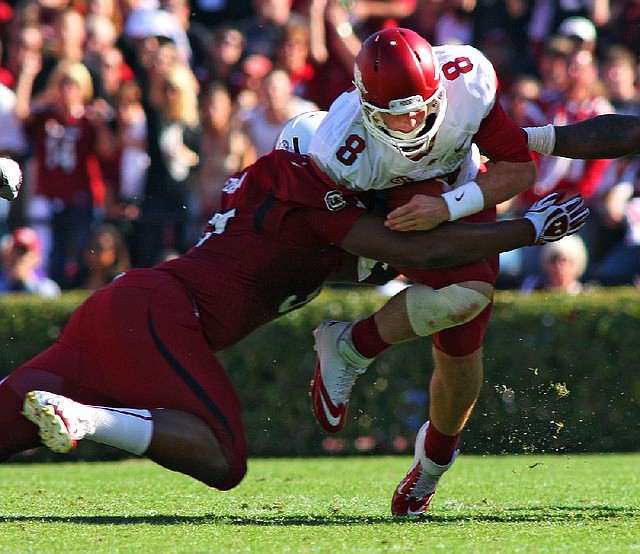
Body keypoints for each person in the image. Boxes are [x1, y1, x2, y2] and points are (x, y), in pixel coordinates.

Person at [0, 112, 588, 493]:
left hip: (128, 314)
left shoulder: (298, 218)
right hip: (160, 316)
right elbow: (423, 253)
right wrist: (527, 230)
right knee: (222, 457)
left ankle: (79, 412)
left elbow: (399, 260)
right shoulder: (305, 190)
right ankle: (86, 419)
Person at [306, 27, 538, 517]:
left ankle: (430, 464)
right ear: (366, 106)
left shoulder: (466, 81)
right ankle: (352, 345)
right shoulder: (340, 146)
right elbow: (329, 227)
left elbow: (519, 170)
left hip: (463, 196)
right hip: (386, 210)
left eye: (420, 105)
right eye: (396, 112)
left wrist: (448, 207)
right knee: (467, 296)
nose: (412, 121)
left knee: (461, 353)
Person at [0, 226, 61, 298]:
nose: (20, 257)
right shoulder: (3, 281)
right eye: (16, 251)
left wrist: (27, 281)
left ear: (37, 257)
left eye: (25, 252)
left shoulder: (47, 286)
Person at [520, 234, 589, 294]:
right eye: (554, 260)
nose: (558, 266)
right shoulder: (533, 287)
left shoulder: (585, 293)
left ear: (576, 264)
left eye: (564, 260)